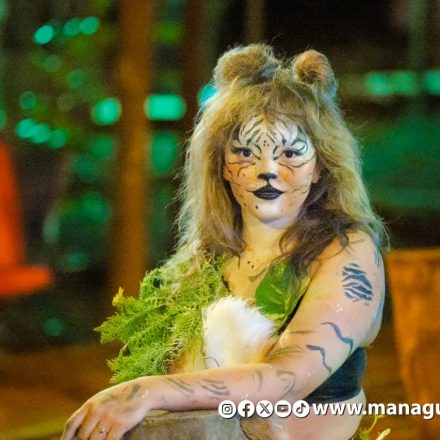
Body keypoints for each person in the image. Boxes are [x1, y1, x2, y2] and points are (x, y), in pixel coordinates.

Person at [62, 44, 385, 440]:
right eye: (246, 152)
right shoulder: (202, 260)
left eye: (290, 152)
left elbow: (287, 380)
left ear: (320, 166)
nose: (268, 170)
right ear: (222, 167)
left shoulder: (348, 253)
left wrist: (145, 391)